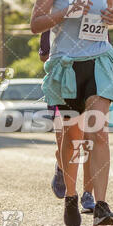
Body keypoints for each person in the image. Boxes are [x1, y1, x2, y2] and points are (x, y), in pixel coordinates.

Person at [31, 0, 113, 226]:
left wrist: (112, 17)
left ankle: (101, 204)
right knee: (72, 137)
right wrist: (65, 12)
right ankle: (71, 196)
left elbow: (106, 19)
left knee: (98, 131)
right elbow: (36, 24)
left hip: (99, 61)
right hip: (66, 67)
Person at [40, 29, 95, 213]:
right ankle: (62, 166)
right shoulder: (55, 16)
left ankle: (88, 193)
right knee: (68, 139)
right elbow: (44, 55)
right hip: (62, 85)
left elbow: (106, 47)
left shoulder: (96, 12)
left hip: (91, 81)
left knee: (89, 140)